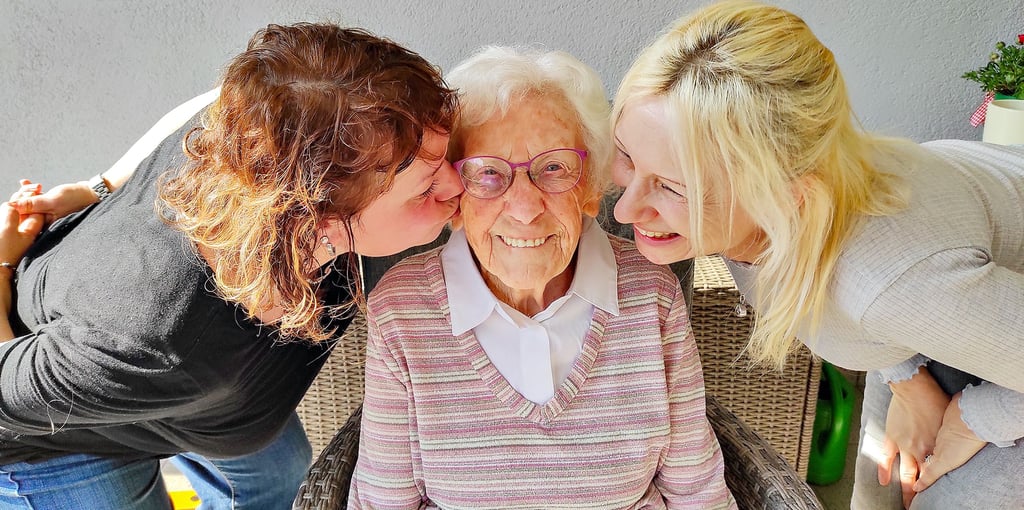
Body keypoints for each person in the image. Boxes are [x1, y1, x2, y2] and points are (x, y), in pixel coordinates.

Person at [0, 23, 463, 509]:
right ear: (314, 218)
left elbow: (213, 98)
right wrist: (4, 264)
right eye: (427, 189)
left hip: (181, 399)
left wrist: (100, 185)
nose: (457, 186)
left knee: (281, 471)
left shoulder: (262, 135)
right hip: (45, 438)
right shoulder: (158, 339)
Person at [609, 1, 1024, 509]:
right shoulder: (817, 170)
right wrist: (909, 382)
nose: (627, 211)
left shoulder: (884, 285)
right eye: (626, 156)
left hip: (980, 328)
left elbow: (899, 289)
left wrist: (972, 418)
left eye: (674, 188)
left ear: (784, 197)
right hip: (960, 309)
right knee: (878, 492)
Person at [348, 46, 735, 510]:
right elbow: (381, 503)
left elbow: (698, 494)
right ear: (453, 195)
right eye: (488, 173)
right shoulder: (402, 312)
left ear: (591, 189)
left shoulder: (652, 295)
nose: (525, 208)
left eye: (553, 168)